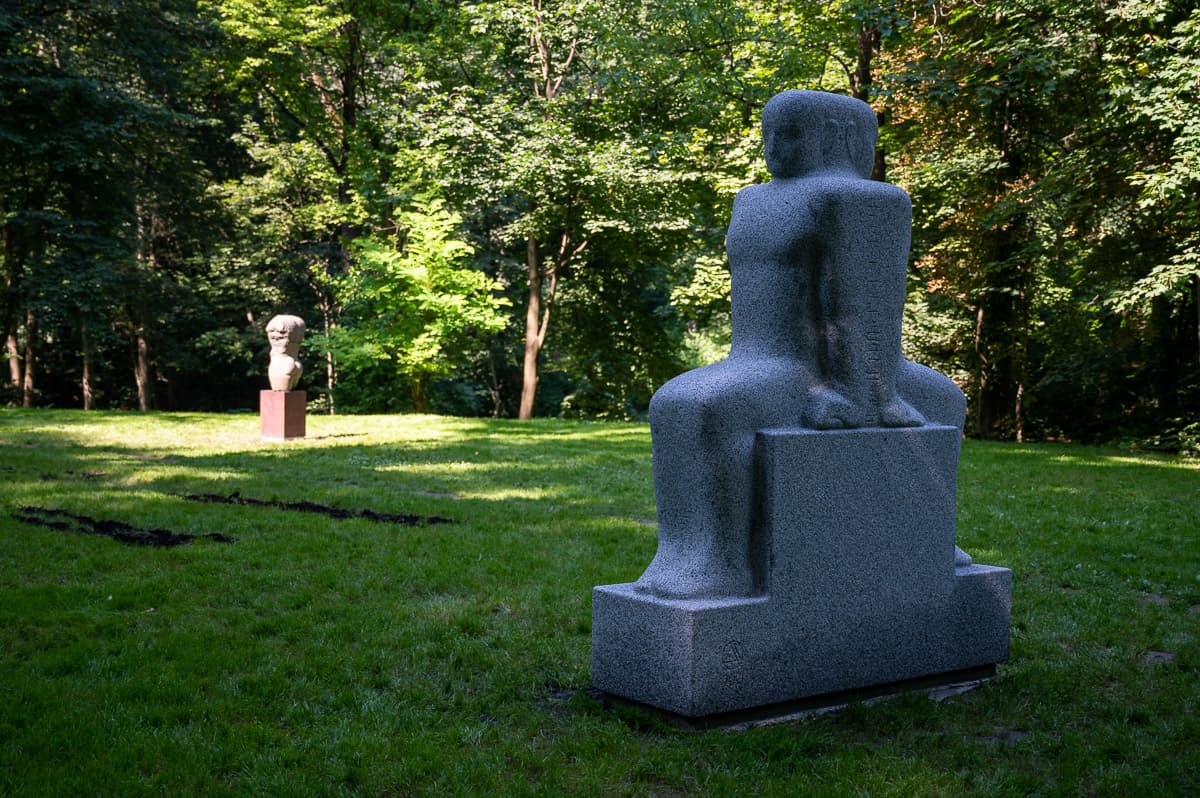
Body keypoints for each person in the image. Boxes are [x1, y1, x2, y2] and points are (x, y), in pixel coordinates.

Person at [634, 91, 965, 600]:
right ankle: (708, 559)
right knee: (686, 403)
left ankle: (717, 562)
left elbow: (868, 302)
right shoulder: (752, 201)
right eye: (767, 134)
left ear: (839, 137)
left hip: (835, 373)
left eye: (787, 134)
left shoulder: (868, 201)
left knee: (698, 405)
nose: (771, 146)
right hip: (764, 359)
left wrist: (861, 396)